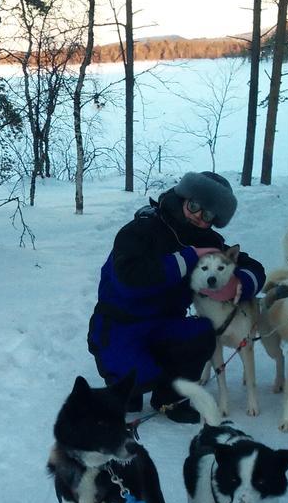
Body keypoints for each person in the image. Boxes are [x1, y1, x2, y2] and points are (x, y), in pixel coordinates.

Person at [87, 170, 267, 424]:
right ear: (183, 197)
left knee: (203, 332)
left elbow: (253, 266)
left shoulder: (209, 242)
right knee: (132, 390)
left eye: (207, 215)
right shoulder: (141, 230)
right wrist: (189, 257)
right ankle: (127, 380)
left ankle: (169, 399)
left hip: (165, 324)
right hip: (120, 324)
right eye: (194, 206)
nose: (197, 216)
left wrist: (241, 283)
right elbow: (130, 281)